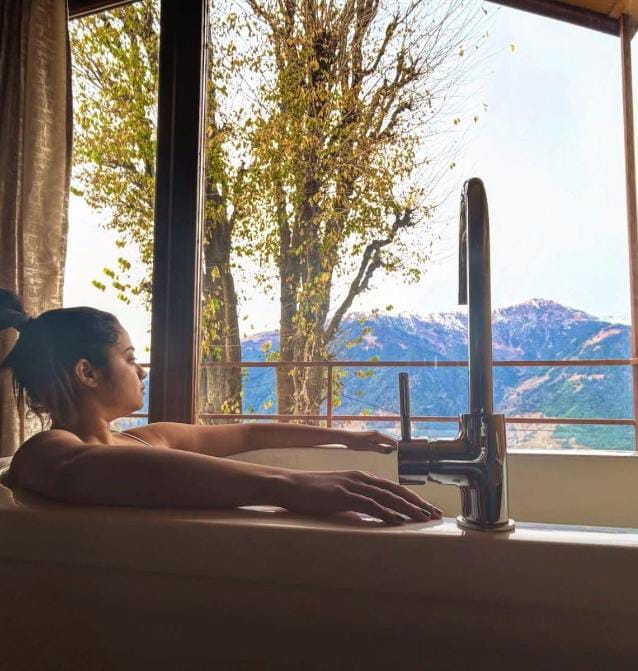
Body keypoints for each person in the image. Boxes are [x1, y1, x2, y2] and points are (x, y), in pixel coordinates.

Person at [0, 288, 442, 525]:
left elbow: (248, 433)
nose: (143, 371)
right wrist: (288, 484)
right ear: (88, 373)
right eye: (130, 359)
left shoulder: (148, 439)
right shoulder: (46, 450)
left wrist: (346, 438)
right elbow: (80, 470)